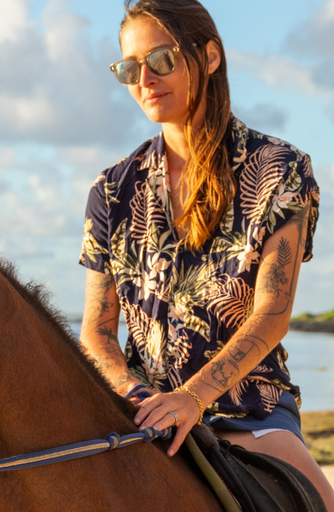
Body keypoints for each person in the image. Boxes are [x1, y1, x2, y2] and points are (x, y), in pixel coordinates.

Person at [78, 0, 334, 506]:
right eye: (130, 68)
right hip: (140, 411)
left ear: (210, 56)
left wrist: (191, 398)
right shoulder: (111, 189)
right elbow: (97, 330)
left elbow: (272, 316)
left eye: (162, 60)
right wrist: (140, 398)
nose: (144, 79)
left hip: (248, 407)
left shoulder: (281, 169)